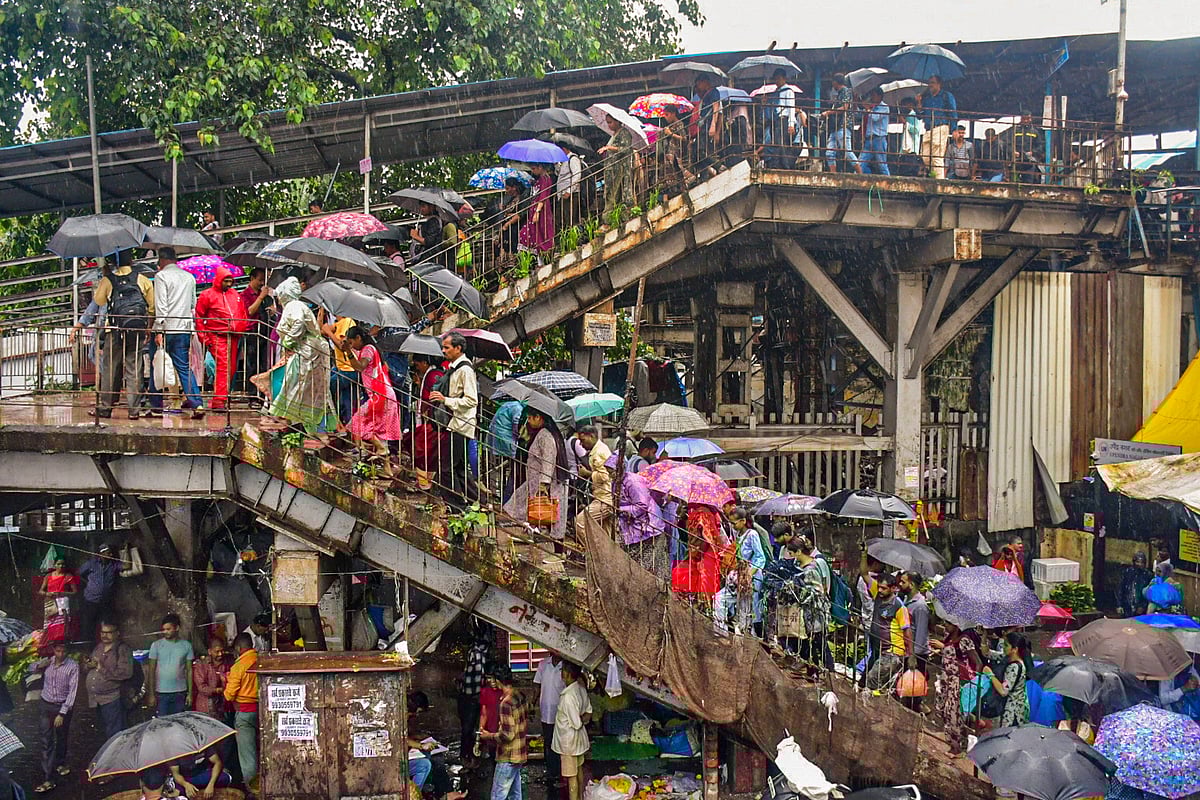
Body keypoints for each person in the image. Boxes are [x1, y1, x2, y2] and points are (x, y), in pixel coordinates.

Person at [265, 277, 336, 434]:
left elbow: (299, 323)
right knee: (298, 386)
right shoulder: (294, 306)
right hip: (305, 350)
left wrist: (288, 342)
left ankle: (300, 423)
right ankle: (296, 422)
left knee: (299, 386)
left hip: (307, 351)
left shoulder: (294, 306)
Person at [91, 251, 155, 420]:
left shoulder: (108, 280)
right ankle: (134, 410)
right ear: (131, 261)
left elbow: (99, 301)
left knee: (110, 369)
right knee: (134, 369)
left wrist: (106, 276)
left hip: (114, 330)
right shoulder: (142, 279)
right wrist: (148, 328)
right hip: (136, 331)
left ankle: (106, 407)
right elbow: (152, 307)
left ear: (114, 262)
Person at [149, 247, 204, 419]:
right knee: (184, 367)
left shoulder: (161, 276)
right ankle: (197, 403)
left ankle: (155, 406)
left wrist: (159, 330)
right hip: (184, 328)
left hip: (167, 328)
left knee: (157, 364)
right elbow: (192, 304)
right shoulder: (189, 277)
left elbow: (161, 306)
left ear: (162, 260)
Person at [342, 326, 402, 479]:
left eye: (351, 342)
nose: (351, 345)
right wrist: (341, 343)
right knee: (378, 432)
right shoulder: (365, 349)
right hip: (383, 394)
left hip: (380, 395)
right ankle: (387, 470)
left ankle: (380, 449)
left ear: (358, 338)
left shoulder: (368, 349)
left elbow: (359, 366)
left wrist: (348, 351)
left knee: (357, 423)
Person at [429, 332, 479, 508]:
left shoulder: (465, 370)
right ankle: (478, 502)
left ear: (458, 348)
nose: (443, 351)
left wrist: (446, 400)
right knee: (458, 468)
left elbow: (472, 400)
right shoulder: (454, 368)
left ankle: (457, 506)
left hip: (461, 424)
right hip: (455, 423)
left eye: (447, 347)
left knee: (446, 467)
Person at [504, 411, 570, 541]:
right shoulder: (544, 433)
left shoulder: (545, 435)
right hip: (535, 481)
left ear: (538, 417)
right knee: (528, 508)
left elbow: (548, 459)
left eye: (529, 418)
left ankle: (549, 540)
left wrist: (544, 483)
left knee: (548, 514)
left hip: (544, 483)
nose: (528, 421)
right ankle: (534, 532)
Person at [194, 266, 249, 411]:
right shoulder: (207, 295)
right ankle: (219, 401)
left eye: (230, 281)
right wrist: (205, 338)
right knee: (224, 366)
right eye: (226, 281)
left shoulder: (234, 294)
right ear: (219, 280)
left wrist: (242, 327)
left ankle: (221, 398)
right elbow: (199, 317)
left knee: (230, 368)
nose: (229, 284)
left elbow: (242, 312)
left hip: (233, 336)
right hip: (217, 335)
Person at [32, 641, 78, 794]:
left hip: (61, 706)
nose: (61, 654)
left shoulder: (72, 666)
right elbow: (30, 669)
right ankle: (48, 777)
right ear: (53, 650)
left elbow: (72, 692)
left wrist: (62, 713)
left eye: (63, 651)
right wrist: (40, 665)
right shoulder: (48, 662)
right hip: (46, 705)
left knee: (61, 735)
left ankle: (60, 762)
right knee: (46, 741)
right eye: (58, 651)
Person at [929, 621, 980, 754]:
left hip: (957, 681)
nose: (945, 625)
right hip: (945, 680)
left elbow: (977, 662)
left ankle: (957, 747)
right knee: (943, 712)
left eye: (949, 623)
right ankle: (956, 741)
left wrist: (973, 682)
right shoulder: (949, 637)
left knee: (953, 714)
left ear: (957, 625)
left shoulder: (964, 640)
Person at [479, 666, 528, 800]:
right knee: (515, 795)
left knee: (497, 795)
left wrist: (488, 736)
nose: (491, 681)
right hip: (520, 752)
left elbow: (507, 735)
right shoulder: (519, 695)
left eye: (493, 679)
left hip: (508, 755)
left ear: (499, 680)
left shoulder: (505, 703)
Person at [859, 569, 912, 692]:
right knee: (863, 681)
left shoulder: (898, 606)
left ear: (893, 588)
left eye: (883, 588)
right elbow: (864, 573)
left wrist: (911, 655)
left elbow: (907, 630)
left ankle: (873, 701)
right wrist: (864, 557)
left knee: (872, 679)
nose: (880, 590)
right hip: (878, 650)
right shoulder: (878, 596)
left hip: (892, 652)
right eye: (879, 587)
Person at [402, 352, 447, 490]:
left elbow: (432, 397)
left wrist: (426, 412)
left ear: (425, 363)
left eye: (417, 365)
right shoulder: (436, 374)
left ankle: (423, 482)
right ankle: (425, 480)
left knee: (420, 449)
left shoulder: (432, 375)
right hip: (432, 420)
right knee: (427, 450)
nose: (417, 368)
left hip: (432, 420)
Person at [616, 466, 669, 577]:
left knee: (650, 564)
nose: (609, 473)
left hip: (648, 526)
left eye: (611, 470)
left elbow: (642, 505)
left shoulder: (632, 481)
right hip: (632, 526)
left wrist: (621, 509)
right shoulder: (618, 481)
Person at [85, 620, 133, 741]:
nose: (104, 635)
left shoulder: (122, 649)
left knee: (115, 733)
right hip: (96, 699)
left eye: (108, 633)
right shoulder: (99, 647)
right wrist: (88, 665)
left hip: (112, 698)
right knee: (104, 732)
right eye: (102, 632)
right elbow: (90, 665)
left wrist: (101, 668)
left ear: (117, 633)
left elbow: (126, 673)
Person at [551, 662, 592, 800]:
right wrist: (582, 718)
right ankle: (580, 797)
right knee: (578, 769)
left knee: (571, 777)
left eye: (562, 670)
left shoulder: (568, 697)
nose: (561, 673)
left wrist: (579, 719)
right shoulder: (580, 689)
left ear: (567, 674)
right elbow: (588, 712)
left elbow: (576, 723)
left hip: (569, 743)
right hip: (579, 740)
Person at [223, 633, 259, 791]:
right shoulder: (261, 660)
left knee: (247, 755)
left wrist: (226, 681)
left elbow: (229, 695)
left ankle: (253, 790)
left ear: (238, 648)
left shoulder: (239, 666)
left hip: (244, 713)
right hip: (262, 712)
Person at [456, 624, 491, 768]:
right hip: (473, 695)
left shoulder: (475, 653)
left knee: (468, 728)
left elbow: (475, 675)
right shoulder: (480, 653)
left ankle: (468, 755)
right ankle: (471, 754)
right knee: (471, 727)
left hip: (470, 696)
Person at [146, 613, 194, 717]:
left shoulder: (186, 646)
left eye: (168, 629)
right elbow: (151, 670)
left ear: (177, 628)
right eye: (163, 629)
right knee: (163, 722)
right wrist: (151, 694)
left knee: (179, 721)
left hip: (180, 692)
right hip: (161, 692)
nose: (165, 632)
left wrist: (190, 694)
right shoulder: (156, 645)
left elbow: (189, 671)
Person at [237, 267, 274, 395]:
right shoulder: (244, 295)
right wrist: (260, 298)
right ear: (252, 278)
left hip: (265, 331)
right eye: (260, 280)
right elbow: (249, 311)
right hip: (252, 332)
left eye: (264, 280)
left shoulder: (266, 296)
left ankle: (263, 392)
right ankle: (252, 393)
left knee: (264, 364)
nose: (262, 283)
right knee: (252, 364)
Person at [982, 632, 1030, 727]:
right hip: (1013, 708)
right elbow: (987, 653)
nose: (1003, 647)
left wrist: (990, 674)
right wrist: (984, 637)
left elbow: (1003, 691)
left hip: (1013, 711)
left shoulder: (1015, 667)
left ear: (1015, 649)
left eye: (1006, 645)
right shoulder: (1008, 657)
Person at [533, 654, 564, 797]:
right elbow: (537, 684)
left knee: (560, 742)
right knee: (548, 741)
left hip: (561, 712)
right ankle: (551, 772)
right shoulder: (543, 664)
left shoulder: (566, 666)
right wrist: (533, 702)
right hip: (546, 710)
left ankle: (560, 772)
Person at [76, 543, 120, 644]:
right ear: (101, 554)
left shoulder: (113, 564)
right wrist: (88, 583)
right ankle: (88, 647)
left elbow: (127, 565)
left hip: (106, 601)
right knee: (88, 626)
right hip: (90, 600)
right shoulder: (92, 564)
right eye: (108, 553)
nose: (111, 555)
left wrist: (126, 551)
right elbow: (78, 573)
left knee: (107, 625)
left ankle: (106, 646)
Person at [897, 571, 930, 709]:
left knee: (914, 689)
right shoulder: (906, 600)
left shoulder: (920, 606)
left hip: (916, 654)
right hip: (906, 650)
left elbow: (921, 634)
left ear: (911, 584)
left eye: (903, 582)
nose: (900, 584)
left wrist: (913, 655)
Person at [574, 426, 614, 536]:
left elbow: (605, 476)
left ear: (591, 436)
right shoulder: (599, 449)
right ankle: (604, 547)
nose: (581, 444)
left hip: (604, 498)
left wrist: (586, 473)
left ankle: (592, 547)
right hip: (604, 496)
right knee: (605, 533)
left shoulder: (599, 452)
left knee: (579, 522)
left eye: (583, 440)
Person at [821, 74, 861, 174]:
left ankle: (860, 174)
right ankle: (833, 174)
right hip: (836, 126)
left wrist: (829, 112)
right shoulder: (839, 94)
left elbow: (845, 107)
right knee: (830, 153)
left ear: (835, 82)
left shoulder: (846, 91)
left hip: (843, 125)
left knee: (847, 151)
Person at [918, 75, 957, 179]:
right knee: (925, 156)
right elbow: (920, 115)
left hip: (940, 126)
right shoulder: (927, 98)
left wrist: (954, 129)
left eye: (933, 82)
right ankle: (935, 176)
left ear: (939, 84)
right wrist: (919, 103)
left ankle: (939, 180)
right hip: (928, 128)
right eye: (929, 83)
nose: (930, 85)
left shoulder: (946, 96)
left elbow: (952, 112)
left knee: (937, 156)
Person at [598, 115, 635, 217]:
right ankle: (610, 216)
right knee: (610, 193)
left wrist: (609, 148)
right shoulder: (614, 135)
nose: (609, 125)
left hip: (620, 169)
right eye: (607, 123)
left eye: (610, 122)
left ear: (617, 121)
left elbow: (626, 149)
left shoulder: (624, 133)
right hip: (611, 170)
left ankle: (614, 216)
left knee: (616, 193)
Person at [763, 69, 799, 170]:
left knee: (781, 143)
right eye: (775, 79)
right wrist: (765, 102)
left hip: (784, 119)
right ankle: (779, 165)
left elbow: (791, 107)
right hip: (775, 120)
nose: (777, 81)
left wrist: (791, 124)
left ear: (784, 78)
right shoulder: (775, 93)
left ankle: (784, 166)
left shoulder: (788, 91)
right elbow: (770, 107)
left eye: (779, 78)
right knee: (776, 143)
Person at [519, 163, 556, 256]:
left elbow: (543, 196)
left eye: (534, 168)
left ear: (540, 167)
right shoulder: (539, 179)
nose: (533, 171)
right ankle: (539, 254)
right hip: (535, 208)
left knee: (541, 231)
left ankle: (545, 253)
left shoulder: (545, 179)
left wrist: (537, 211)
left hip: (541, 209)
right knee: (533, 232)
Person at [656, 105, 689, 199]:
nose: (666, 117)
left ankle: (683, 188)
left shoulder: (679, 124)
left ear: (673, 114)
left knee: (678, 172)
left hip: (677, 153)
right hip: (669, 154)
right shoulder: (669, 126)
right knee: (671, 174)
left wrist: (671, 134)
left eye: (667, 115)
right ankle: (673, 192)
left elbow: (684, 138)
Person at [192, 639, 229, 719]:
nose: (220, 654)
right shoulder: (201, 665)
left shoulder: (226, 663)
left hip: (222, 707)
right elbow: (201, 687)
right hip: (205, 707)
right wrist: (217, 690)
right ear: (209, 651)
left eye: (222, 651)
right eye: (217, 651)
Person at [859, 87, 890, 176]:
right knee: (860, 163)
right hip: (869, 139)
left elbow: (875, 118)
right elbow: (860, 114)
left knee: (882, 165)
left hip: (878, 139)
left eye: (874, 95)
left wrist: (868, 109)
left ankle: (888, 181)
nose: (872, 97)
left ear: (879, 96)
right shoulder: (873, 107)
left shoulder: (884, 107)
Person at [496, 178, 528, 261]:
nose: (506, 191)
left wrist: (507, 224)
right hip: (508, 229)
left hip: (515, 227)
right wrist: (503, 209)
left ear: (514, 188)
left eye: (508, 188)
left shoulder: (522, 198)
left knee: (515, 248)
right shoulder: (510, 199)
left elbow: (520, 214)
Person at [556, 145, 584, 231]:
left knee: (570, 218)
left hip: (571, 194)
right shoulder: (564, 161)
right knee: (562, 218)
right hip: (563, 193)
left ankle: (575, 236)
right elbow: (560, 174)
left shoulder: (573, 159)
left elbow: (577, 175)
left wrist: (569, 191)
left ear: (564, 149)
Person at [896, 97, 926, 177]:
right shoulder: (910, 116)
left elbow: (916, 129)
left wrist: (905, 123)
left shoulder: (913, 115)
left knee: (908, 172)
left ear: (910, 105)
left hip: (911, 149)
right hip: (908, 150)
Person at [1118, 551, 1153, 617]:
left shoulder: (1148, 575)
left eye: (1142, 562)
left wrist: (1143, 605)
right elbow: (1120, 589)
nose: (1140, 564)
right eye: (1138, 562)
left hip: (1140, 607)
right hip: (1127, 605)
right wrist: (1119, 605)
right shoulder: (1127, 572)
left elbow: (1149, 592)